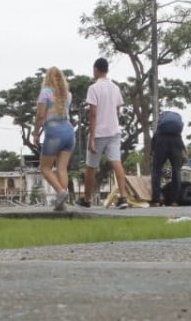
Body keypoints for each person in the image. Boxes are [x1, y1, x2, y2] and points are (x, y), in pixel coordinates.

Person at [76, 58, 129, 209]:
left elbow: (93, 114)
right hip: (114, 131)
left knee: (91, 166)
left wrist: (92, 138)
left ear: (96, 70)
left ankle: (87, 199)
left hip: (99, 132)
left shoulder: (93, 88)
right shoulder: (115, 88)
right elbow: (117, 110)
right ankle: (123, 197)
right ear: (107, 70)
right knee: (116, 162)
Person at [32, 67, 75, 210]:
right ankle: (61, 203)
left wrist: (36, 133)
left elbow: (40, 115)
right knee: (62, 169)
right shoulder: (68, 94)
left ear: (47, 78)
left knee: (45, 168)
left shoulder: (45, 93)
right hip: (69, 132)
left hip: (54, 134)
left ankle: (61, 192)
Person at [150, 110, 188, 207]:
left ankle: (156, 200)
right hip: (176, 142)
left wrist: (152, 152)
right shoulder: (176, 130)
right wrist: (183, 150)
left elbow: (155, 138)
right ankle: (174, 201)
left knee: (156, 171)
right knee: (176, 171)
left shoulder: (161, 126)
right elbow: (179, 138)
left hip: (160, 141)